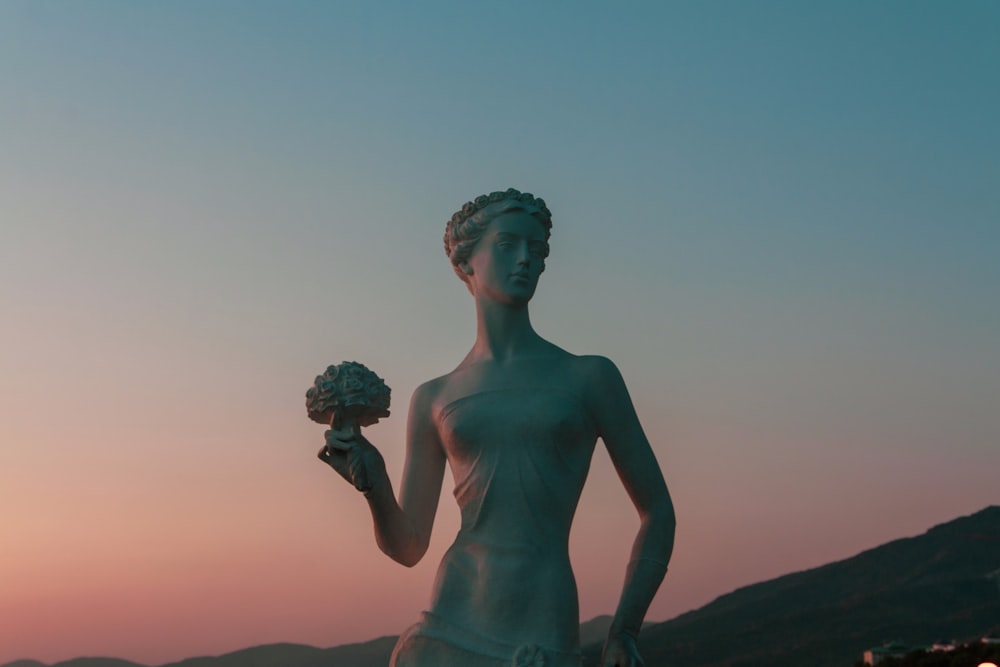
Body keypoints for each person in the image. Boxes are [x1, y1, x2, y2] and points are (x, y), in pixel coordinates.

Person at [318, 189, 676, 667]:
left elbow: (657, 512)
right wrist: (374, 484)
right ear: (466, 263)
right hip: (449, 619)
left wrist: (624, 630)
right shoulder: (435, 397)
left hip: (542, 622)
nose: (527, 259)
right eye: (508, 244)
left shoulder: (588, 377)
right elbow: (408, 547)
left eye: (538, 249)